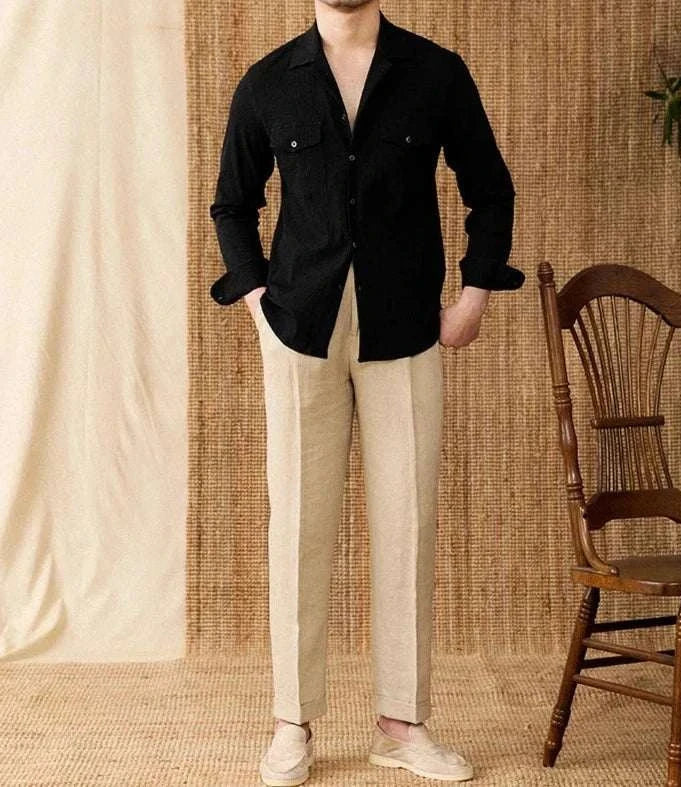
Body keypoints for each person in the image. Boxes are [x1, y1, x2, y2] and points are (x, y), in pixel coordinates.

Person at [209, 1, 524, 783]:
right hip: (299, 326)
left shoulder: (435, 73)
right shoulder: (268, 83)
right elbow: (231, 205)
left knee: (408, 521)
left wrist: (473, 298)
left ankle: (402, 723)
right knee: (298, 523)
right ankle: (292, 721)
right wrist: (259, 310)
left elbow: (491, 191)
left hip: (405, 324)